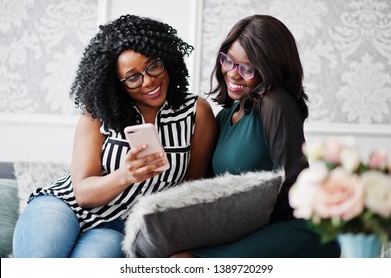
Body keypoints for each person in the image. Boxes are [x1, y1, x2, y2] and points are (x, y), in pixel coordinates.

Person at [12, 14, 217, 258]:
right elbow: (83, 194)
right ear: (117, 83)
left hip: (118, 227)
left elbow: (190, 191)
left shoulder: (196, 112)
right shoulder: (97, 115)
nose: (149, 81)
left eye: (153, 65)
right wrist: (125, 175)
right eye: (133, 77)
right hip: (64, 207)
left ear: (167, 60)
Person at [173, 14, 340, 258]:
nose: (233, 74)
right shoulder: (225, 115)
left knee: (184, 261)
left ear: (270, 70)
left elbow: (293, 185)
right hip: (237, 231)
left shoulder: (274, 102)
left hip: (288, 229)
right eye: (227, 61)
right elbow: (208, 188)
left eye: (247, 68)